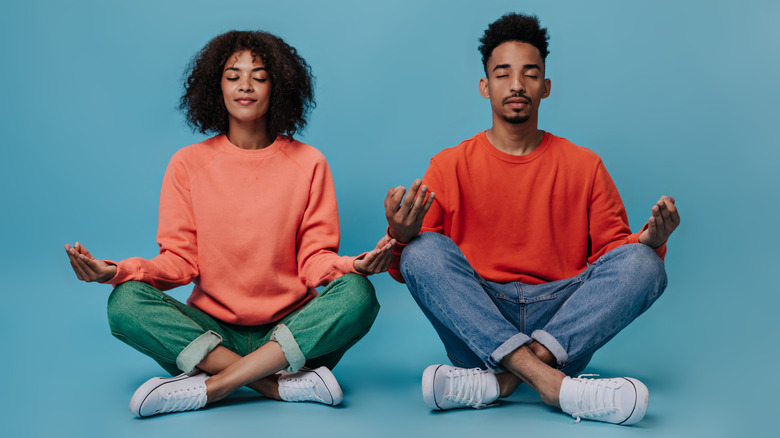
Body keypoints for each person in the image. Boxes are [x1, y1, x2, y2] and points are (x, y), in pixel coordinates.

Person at [64, 30, 394, 418]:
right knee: (123, 301)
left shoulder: (309, 163)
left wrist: (352, 266)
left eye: (259, 75)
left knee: (359, 294)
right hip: (210, 337)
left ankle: (214, 386)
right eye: (233, 75)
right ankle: (274, 385)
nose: (246, 85)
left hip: (288, 335)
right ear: (215, 86)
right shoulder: (187, 164)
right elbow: (179, 262)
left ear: (279, 86)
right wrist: (116, 271)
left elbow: (314, 260)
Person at [384, 13, 679, 425]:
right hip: (478, 322)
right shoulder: (449, 166)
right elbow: (413, 267)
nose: (517, 85)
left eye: (530, 74)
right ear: (485, 87)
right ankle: (554, 386)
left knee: (645, 264)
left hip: (562, 326)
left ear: (546, 87)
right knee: (422, 251)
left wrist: (649, 241)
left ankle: (502, 381)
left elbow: (615, 253)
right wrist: (400, 235)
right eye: (503, 75)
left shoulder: (585, 165)